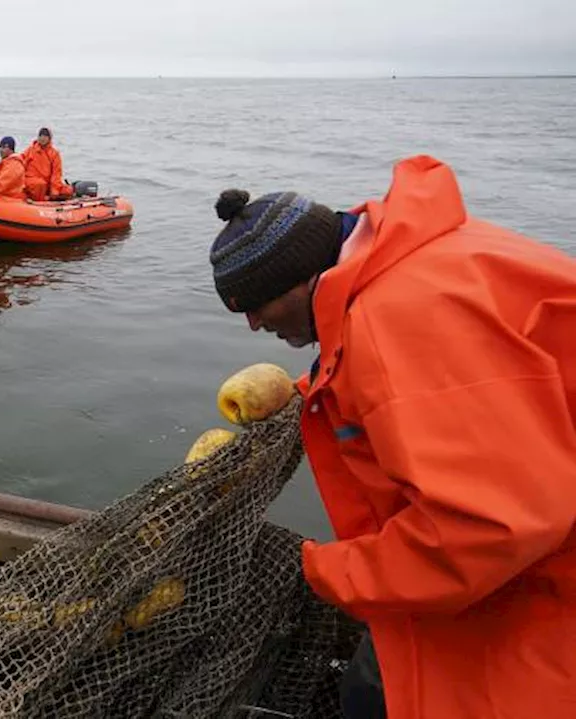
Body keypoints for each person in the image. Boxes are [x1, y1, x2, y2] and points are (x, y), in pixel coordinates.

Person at [207, 154, 576, 719]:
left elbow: (487, 528)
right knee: (371, 684)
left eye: (254, 305)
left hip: (545, 593)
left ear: (300, 277)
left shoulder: (404, 321)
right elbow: (459, 393)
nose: (254, 325)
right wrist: (316, 390)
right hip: (524, 554)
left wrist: (327, 570)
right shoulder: (414, 260)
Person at [21, 127, 73, 202]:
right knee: (39, 184)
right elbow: (21, 165)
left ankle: (49, 198)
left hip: (48, 183)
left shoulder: (54, 154)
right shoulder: (30, 150)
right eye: (40, 136)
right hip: (32, 181)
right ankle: (41, 200)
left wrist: (54, 191)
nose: (42, 138)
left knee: (68, 191)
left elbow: (56, 174)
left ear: (49, 138)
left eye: (45, 136)